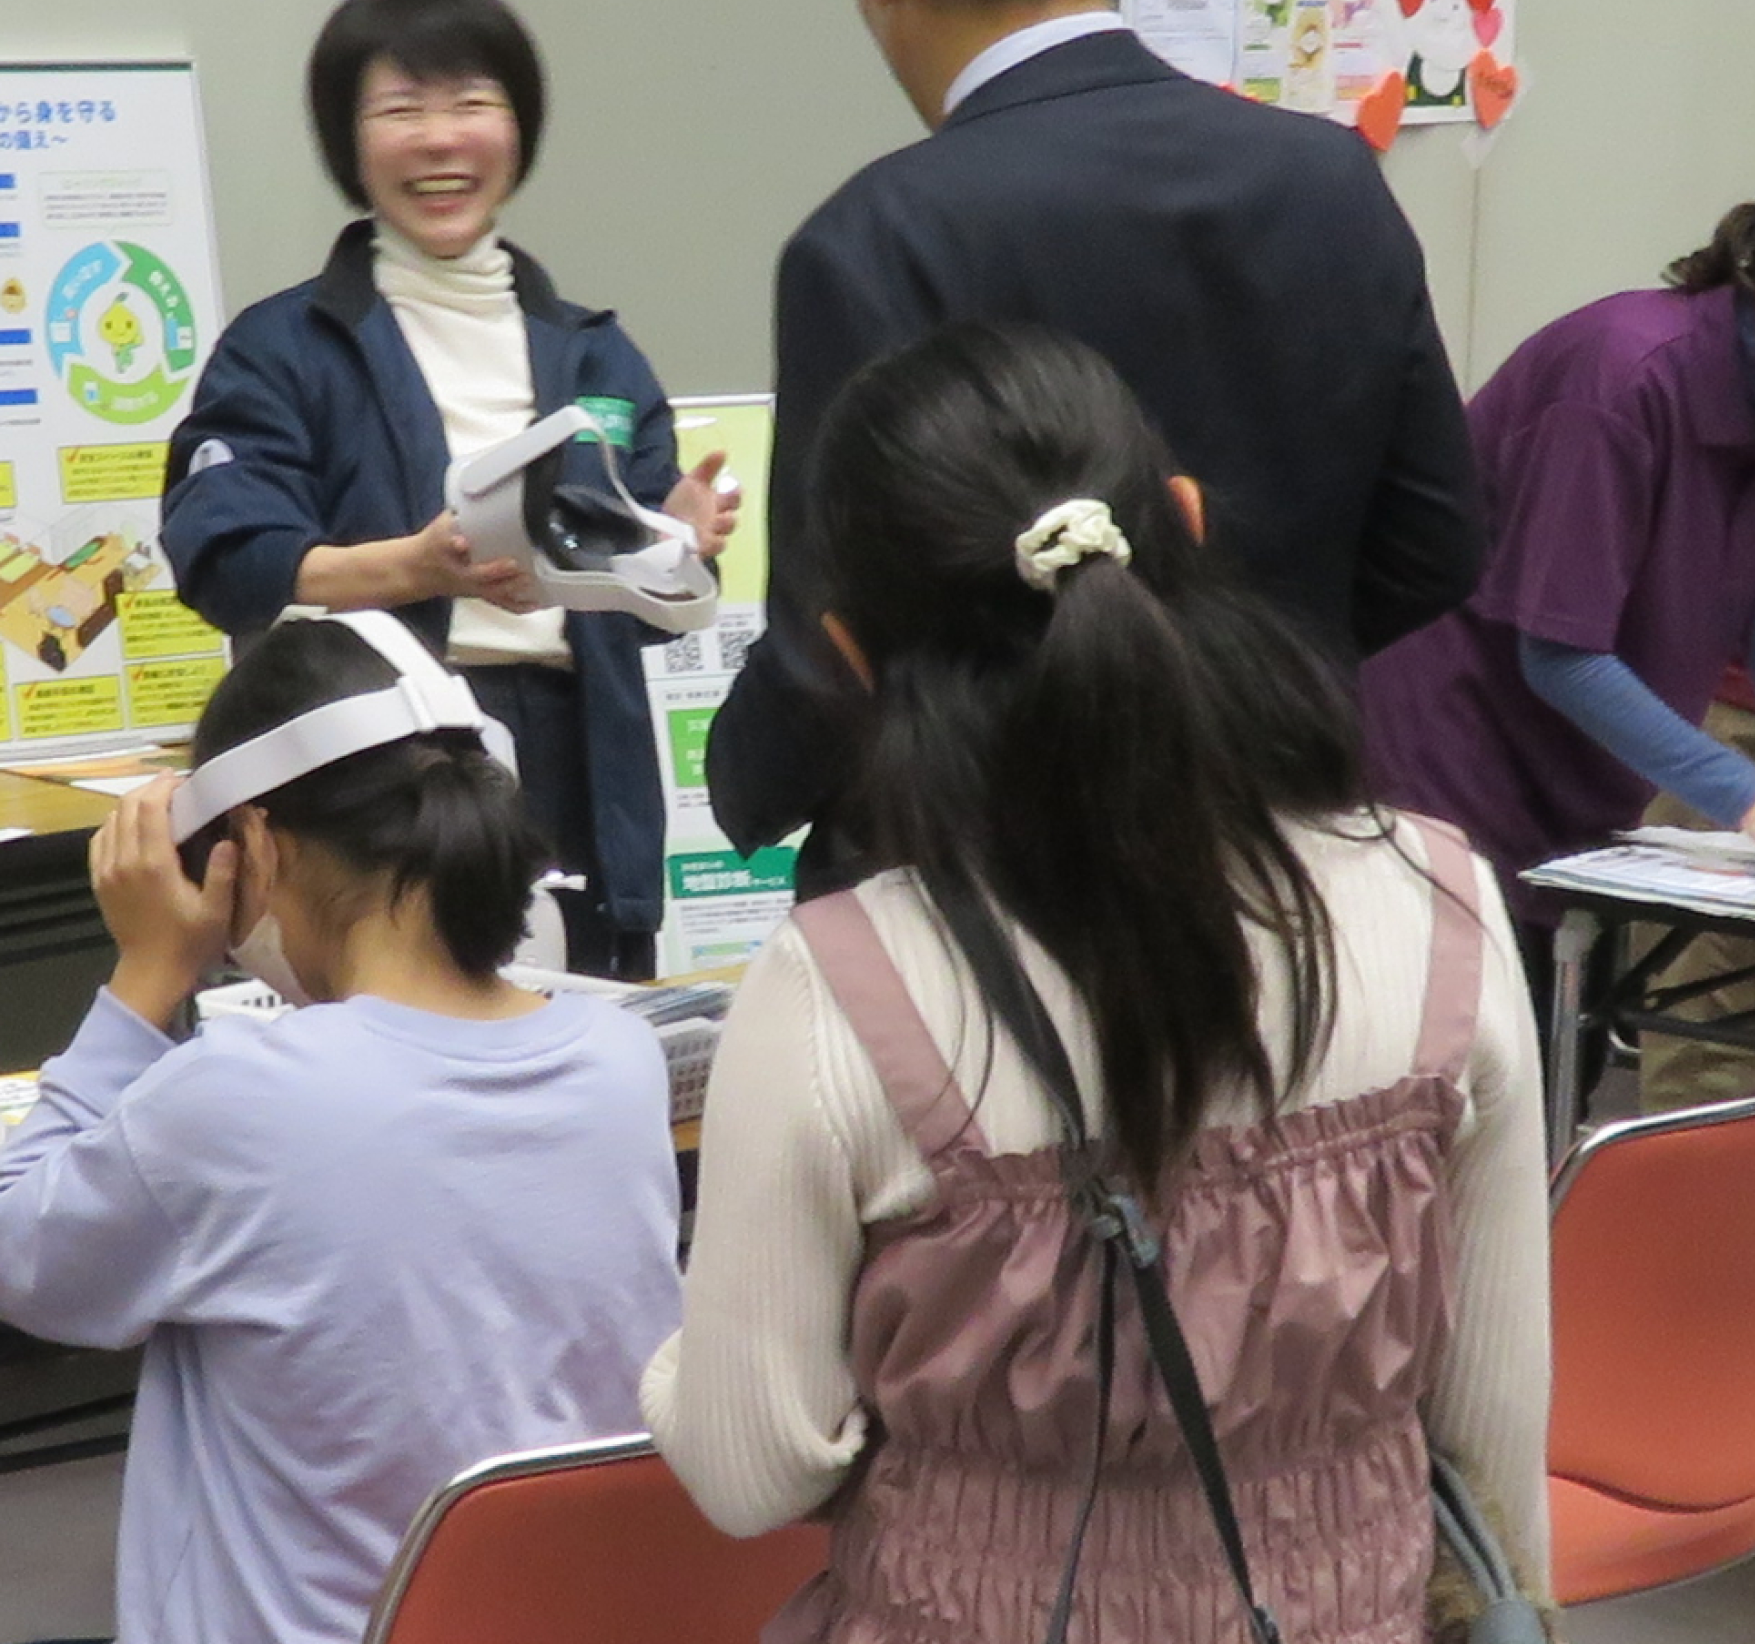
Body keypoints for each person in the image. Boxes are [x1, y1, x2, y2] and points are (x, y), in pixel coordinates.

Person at [649, 322, 1548, 1635]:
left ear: (848, 651)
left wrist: (691, 1359)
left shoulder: (838, 987)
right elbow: (1492, 1416)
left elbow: (750, 1469)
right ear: (1179, 522)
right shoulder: (1441, 899)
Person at [708, 0, 1482, 884]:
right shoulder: (1332, 181)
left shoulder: (877, 240)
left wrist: (740, 786)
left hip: (986, 890)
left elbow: (838, 642)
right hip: (1279, 862)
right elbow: (1435, 541)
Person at [0, 612, 681, 1644]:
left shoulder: (237, 1094)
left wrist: (145, 976)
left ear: (253, 840)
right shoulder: (619, 1061)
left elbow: (13, 1255)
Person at [160, 0, 735, 974]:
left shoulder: (595, 352)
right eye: (400, 109)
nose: (440, 138)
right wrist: (414, 568)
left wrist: (676, 538)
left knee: (577, 1064)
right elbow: (225, 552)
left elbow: (655, 601)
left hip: (576, 777)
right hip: (364, 774)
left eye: (473, 102)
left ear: (519, 130)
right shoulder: (282, 347)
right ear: (350, 143)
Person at [1360, 182, 1755, 936]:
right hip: (1452, 751)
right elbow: (1561, 653)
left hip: (1583, 773)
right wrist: (1752, 799)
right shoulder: (1620, 379)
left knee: (1566, 1019)